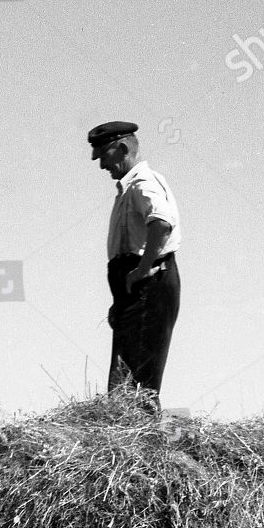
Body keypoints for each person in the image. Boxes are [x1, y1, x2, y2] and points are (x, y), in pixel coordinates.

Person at [88, 120, 181, 404]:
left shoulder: (143, 183)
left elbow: (161, 223)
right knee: (123, 384)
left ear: (123, 147)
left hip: (149, 286)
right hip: (136, 292)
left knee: (136, 387)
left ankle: (147, 440)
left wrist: (142, 269)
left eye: (104, 155)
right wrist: (120, 300)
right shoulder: (127, 189)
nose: (102, 165)